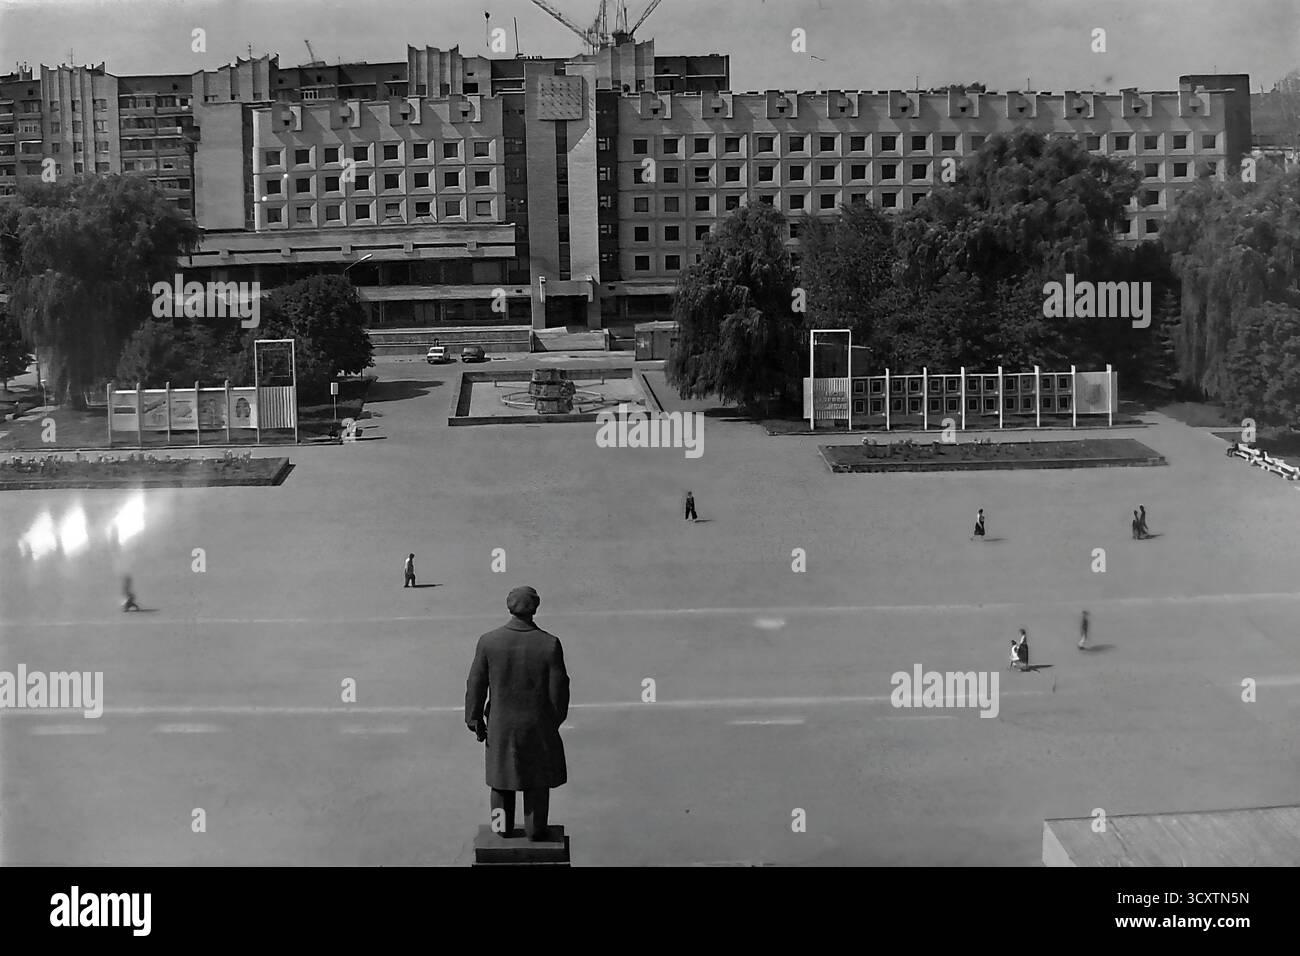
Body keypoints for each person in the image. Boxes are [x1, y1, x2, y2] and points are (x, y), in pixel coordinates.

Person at [465, 586, 569, 842]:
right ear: (535, 607)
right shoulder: (549, 644)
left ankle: (502, 827)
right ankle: (535, 829)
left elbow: (476, 684)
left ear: (509, 607)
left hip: (501, 725)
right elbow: (559, 691)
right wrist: (552, 721)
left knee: (501, 780)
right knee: (537, 781)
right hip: (537, 726)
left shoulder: (489, 641)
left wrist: (474, 719)